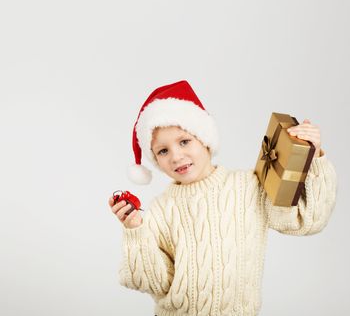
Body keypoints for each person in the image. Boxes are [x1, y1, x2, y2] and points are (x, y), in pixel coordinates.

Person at [108, 80, 337, 316]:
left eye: (185, 141)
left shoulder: (251, 187)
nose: (176, 156)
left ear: (205, 140)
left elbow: (308, 221)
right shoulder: (161, 209)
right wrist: (135, 230)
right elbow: (152, 282)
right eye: (163, 151)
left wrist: (315, 156)